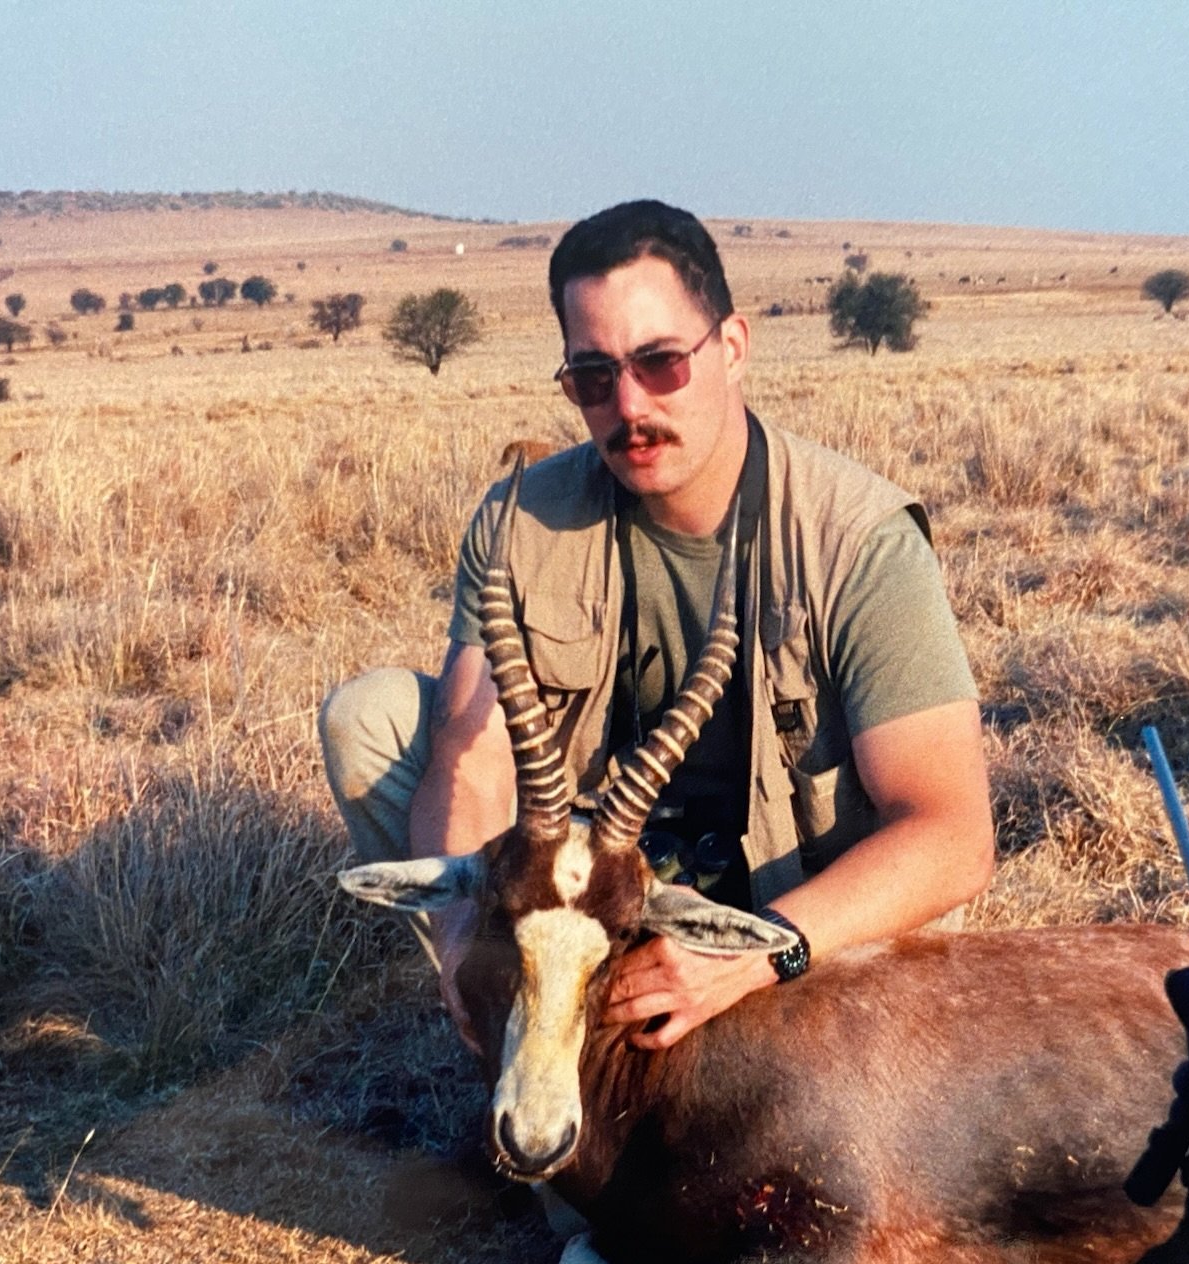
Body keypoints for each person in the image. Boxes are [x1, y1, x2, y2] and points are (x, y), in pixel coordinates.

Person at [320, 199, 993, 1050]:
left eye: (661, 362)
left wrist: (755, 958)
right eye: (594, 378)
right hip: (595, 904)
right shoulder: (519, 522)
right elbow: (473, 752)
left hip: (784, 929)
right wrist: (464, 948)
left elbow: (954, 836)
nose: (629, 406)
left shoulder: (858, 540)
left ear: (734, 347)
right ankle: (530, 1023)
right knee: (371, 718)